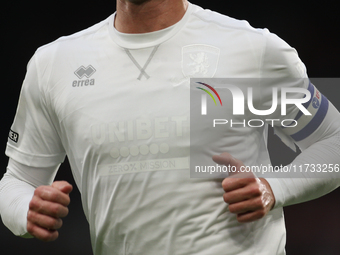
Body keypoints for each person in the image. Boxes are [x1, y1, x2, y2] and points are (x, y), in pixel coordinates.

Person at [0, 0, 339, 254]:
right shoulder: (55, 64)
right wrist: (25, 210)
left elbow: (333, 143)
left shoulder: (250, 49)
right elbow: (17, 181)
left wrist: (273, 187)